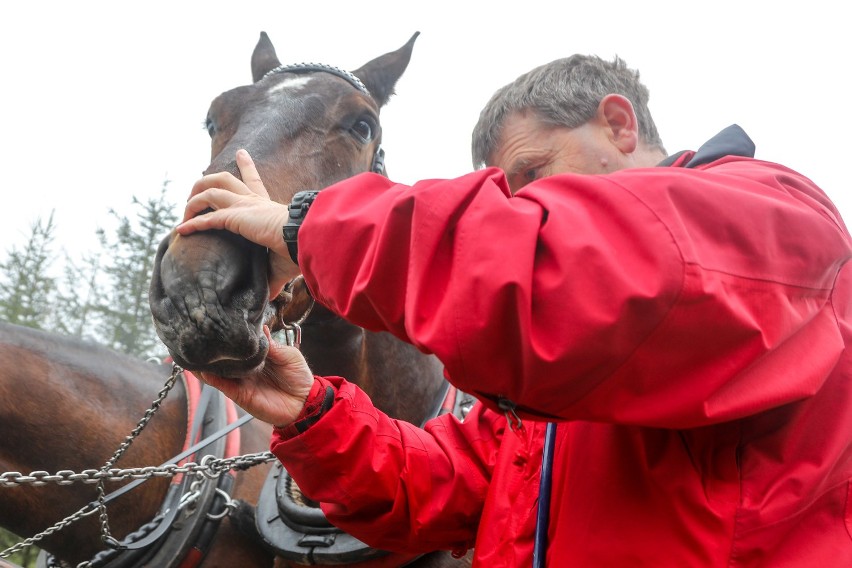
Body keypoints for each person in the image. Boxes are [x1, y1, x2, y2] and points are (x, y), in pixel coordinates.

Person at [176, 54, 852, 566]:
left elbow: (573, 275)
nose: (524, 206)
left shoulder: (769, 213)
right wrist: (315, 416)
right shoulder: (559, 395)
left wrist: (315, 228)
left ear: (618, 125)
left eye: (531, 174)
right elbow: (452, 482)